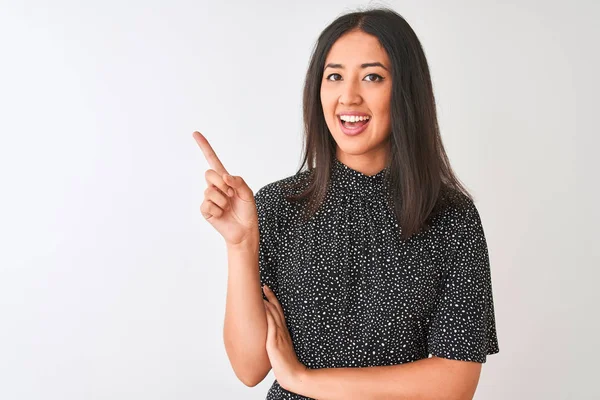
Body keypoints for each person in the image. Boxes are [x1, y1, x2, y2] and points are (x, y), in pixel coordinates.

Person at [194, 7, 499, 400]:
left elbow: (455, 383)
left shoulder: (452, 219)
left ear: (406, 89)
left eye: (372, 77)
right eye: (334, 76)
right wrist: (239, 245)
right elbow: (249, 367)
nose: (348, 96)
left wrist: (304, 381)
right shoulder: (277, 206)